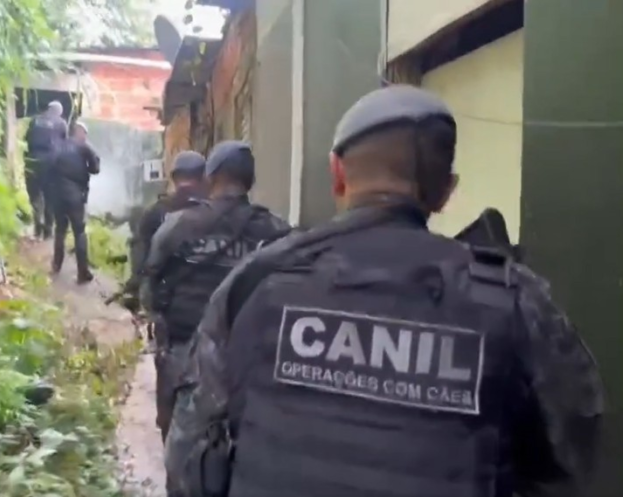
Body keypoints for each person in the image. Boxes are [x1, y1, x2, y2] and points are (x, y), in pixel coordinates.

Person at [163, 85, 604, 497]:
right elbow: (574, 451)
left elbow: (189, 459)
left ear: (337, 173)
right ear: (445, 192)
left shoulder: (256, 280)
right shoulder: (515, 299)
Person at [143, 141, 290, 494]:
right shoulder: (276, 232)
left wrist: (157, 323)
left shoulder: (178, 225)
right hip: (247, 362)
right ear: (250, 180)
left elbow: (150, 280)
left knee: (179, 445)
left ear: (211, 177)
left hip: (183, 355)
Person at [120, 151, 208, 324]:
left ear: (174, 178)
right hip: (209, 305)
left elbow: (140, 255)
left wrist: (134, 286)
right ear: (204, 178)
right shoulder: (216, 212)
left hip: (167, 303)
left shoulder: (156, 212)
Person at [48, 120, 100, 284]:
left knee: (60, 230)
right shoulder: (84, 147)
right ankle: (82, 272)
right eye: (84, 134)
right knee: (79, 232)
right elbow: (95, 169)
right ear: (81, 133)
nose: (85, 136)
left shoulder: (58, 145)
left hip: (57, 194)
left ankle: (56, 266)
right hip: (75, 196)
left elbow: (50, 166)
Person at [24, 101, 67, 239]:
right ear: (59, 112)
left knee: (34, 195)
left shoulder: (35, 120)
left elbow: (27, 138)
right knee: (50, 197)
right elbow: (65, 145)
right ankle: (48, 231)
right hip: (52, 163)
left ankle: (38, 227)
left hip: (33, 160)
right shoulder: (61, 123)